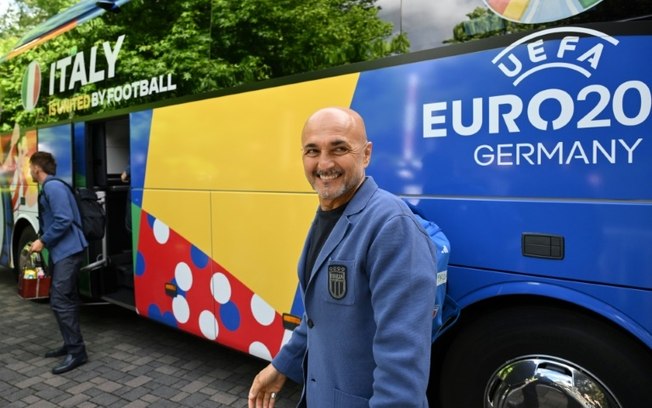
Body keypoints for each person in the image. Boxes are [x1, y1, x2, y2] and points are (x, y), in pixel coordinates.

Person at [248, 107, 437, 407]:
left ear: (366, 154)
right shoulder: (329, 211)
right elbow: (320, 315)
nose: (324, 163)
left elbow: (402, 366)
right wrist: (283, 365)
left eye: (339, 149)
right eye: (312, 150)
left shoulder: (393, 227)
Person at [29, 151, 89, 375]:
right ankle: (70, 343)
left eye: (30, 167)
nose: (29, 172)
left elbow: (64, 219)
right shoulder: (52, 187)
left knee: (59, 299)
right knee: (66, 298)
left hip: (68, 251)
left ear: (37, 167)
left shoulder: (53, 187)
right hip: (63, 252)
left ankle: (77, 351)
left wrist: (43, 240)